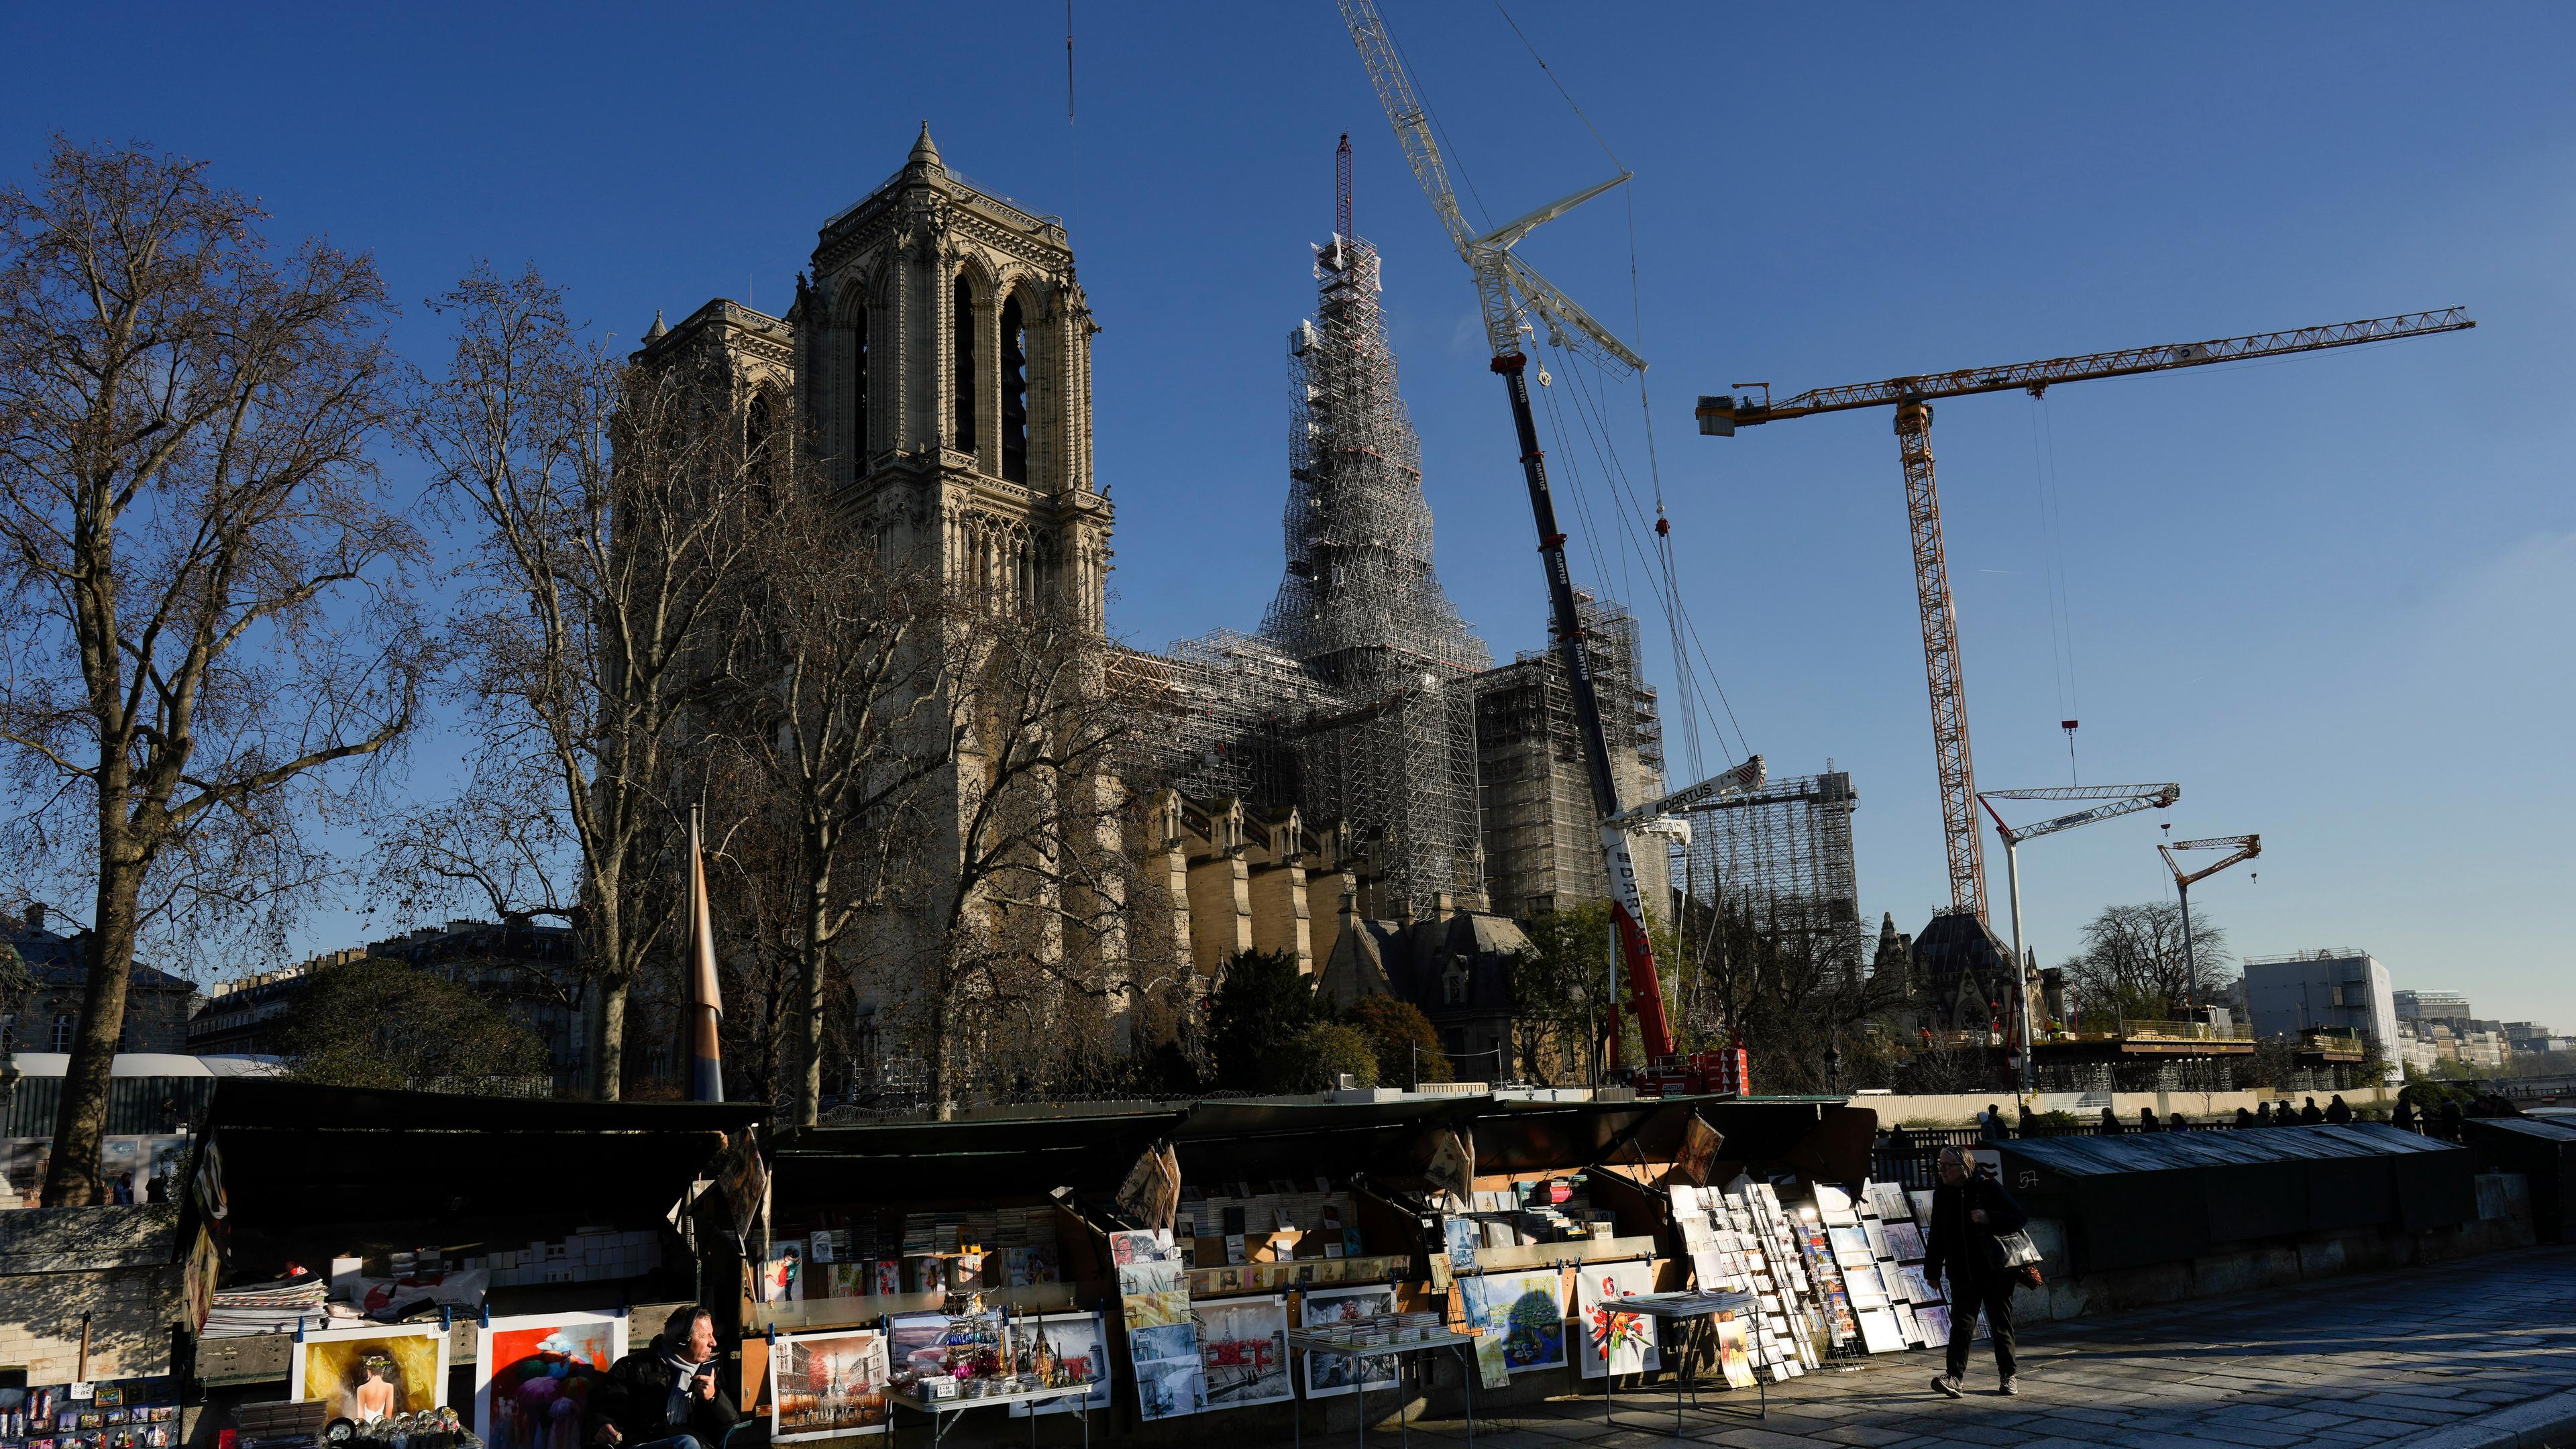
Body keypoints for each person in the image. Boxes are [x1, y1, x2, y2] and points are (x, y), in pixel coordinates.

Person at [1925, 1146, 2029, 1399]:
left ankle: (2008, 1375)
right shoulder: (1943, 1193)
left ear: (1964, 1166)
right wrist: (1933, 1270)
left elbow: (2019, 1217)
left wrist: (1988, 1216)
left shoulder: (1986, 1186)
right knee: (1961, 1324)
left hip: (1995, 1270)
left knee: (2000, 1323)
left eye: (1947, 1165)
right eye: (1940, 1165)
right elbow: (1937, 1233)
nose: (1942, 1170)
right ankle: (1954, 1378)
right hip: (1962, 1271)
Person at [589, 1305, 741, 1449]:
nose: (713, 1342)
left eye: (712, 1335)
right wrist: (602, 1426)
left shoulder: (709, 1373)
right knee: (686, 1443)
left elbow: (731, 1427)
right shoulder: (633, 1367)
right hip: (643, 1444)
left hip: (696, 1445)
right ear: (683, 1340)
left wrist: (713, 1398)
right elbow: (601, 1410)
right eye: (705, 1336)